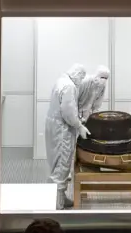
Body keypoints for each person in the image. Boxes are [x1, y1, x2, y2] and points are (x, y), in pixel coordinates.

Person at [45, 64, 89, 210]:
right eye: (82, 77)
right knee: (62, 165)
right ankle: (58, 205)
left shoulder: (61, 81)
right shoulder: (69, 86)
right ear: (77, 74)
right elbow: (68, 112)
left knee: (55, 163)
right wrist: (79, 125)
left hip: (54, 126)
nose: (81, 81)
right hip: (62, 130)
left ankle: (60, 198)